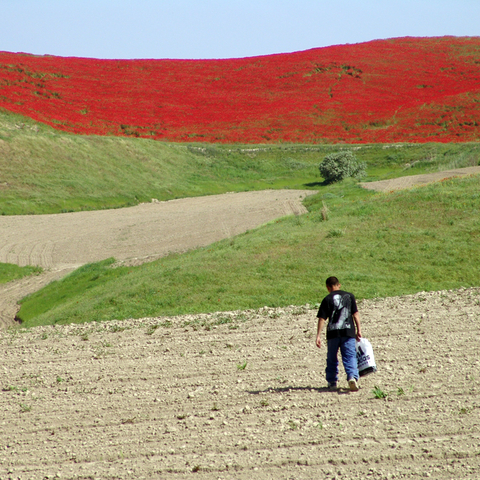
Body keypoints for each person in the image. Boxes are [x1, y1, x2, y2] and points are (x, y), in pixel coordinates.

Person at [315, 276, 362, 391]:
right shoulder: (350, 296)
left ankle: (332, 382)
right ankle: (352, 377)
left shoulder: (327, 299)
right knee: (350, 356)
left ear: (328, 287)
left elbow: (322, 319)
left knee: (332, 358)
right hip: (348, 332)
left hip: (333, 334)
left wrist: (318, 336)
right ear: (339, 285)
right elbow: (355, 314)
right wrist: (359, 330)